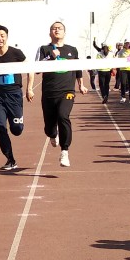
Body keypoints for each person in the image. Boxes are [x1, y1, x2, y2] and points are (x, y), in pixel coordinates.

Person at [36, 20, 86, 167]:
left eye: (60, 28)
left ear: (64, 32)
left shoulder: (72, 50)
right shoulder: (44, 49)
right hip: (49, 92)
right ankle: (52, 134)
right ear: (50, 32)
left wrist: (81, 84)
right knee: (49, 126)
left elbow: (78, 68)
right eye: (54, 28)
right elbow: (37, 68)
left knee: (63, 116)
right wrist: (50, 57)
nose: (57, 30)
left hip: (67, 91)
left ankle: (65, 151)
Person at [0, 25, 33, 171]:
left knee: (17, 130)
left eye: (2, 35)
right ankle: (10, 159)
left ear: (7, 37)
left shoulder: (16, 53)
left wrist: (29, 88)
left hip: (14, 95)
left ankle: (18, 123)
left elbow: (30, 69)